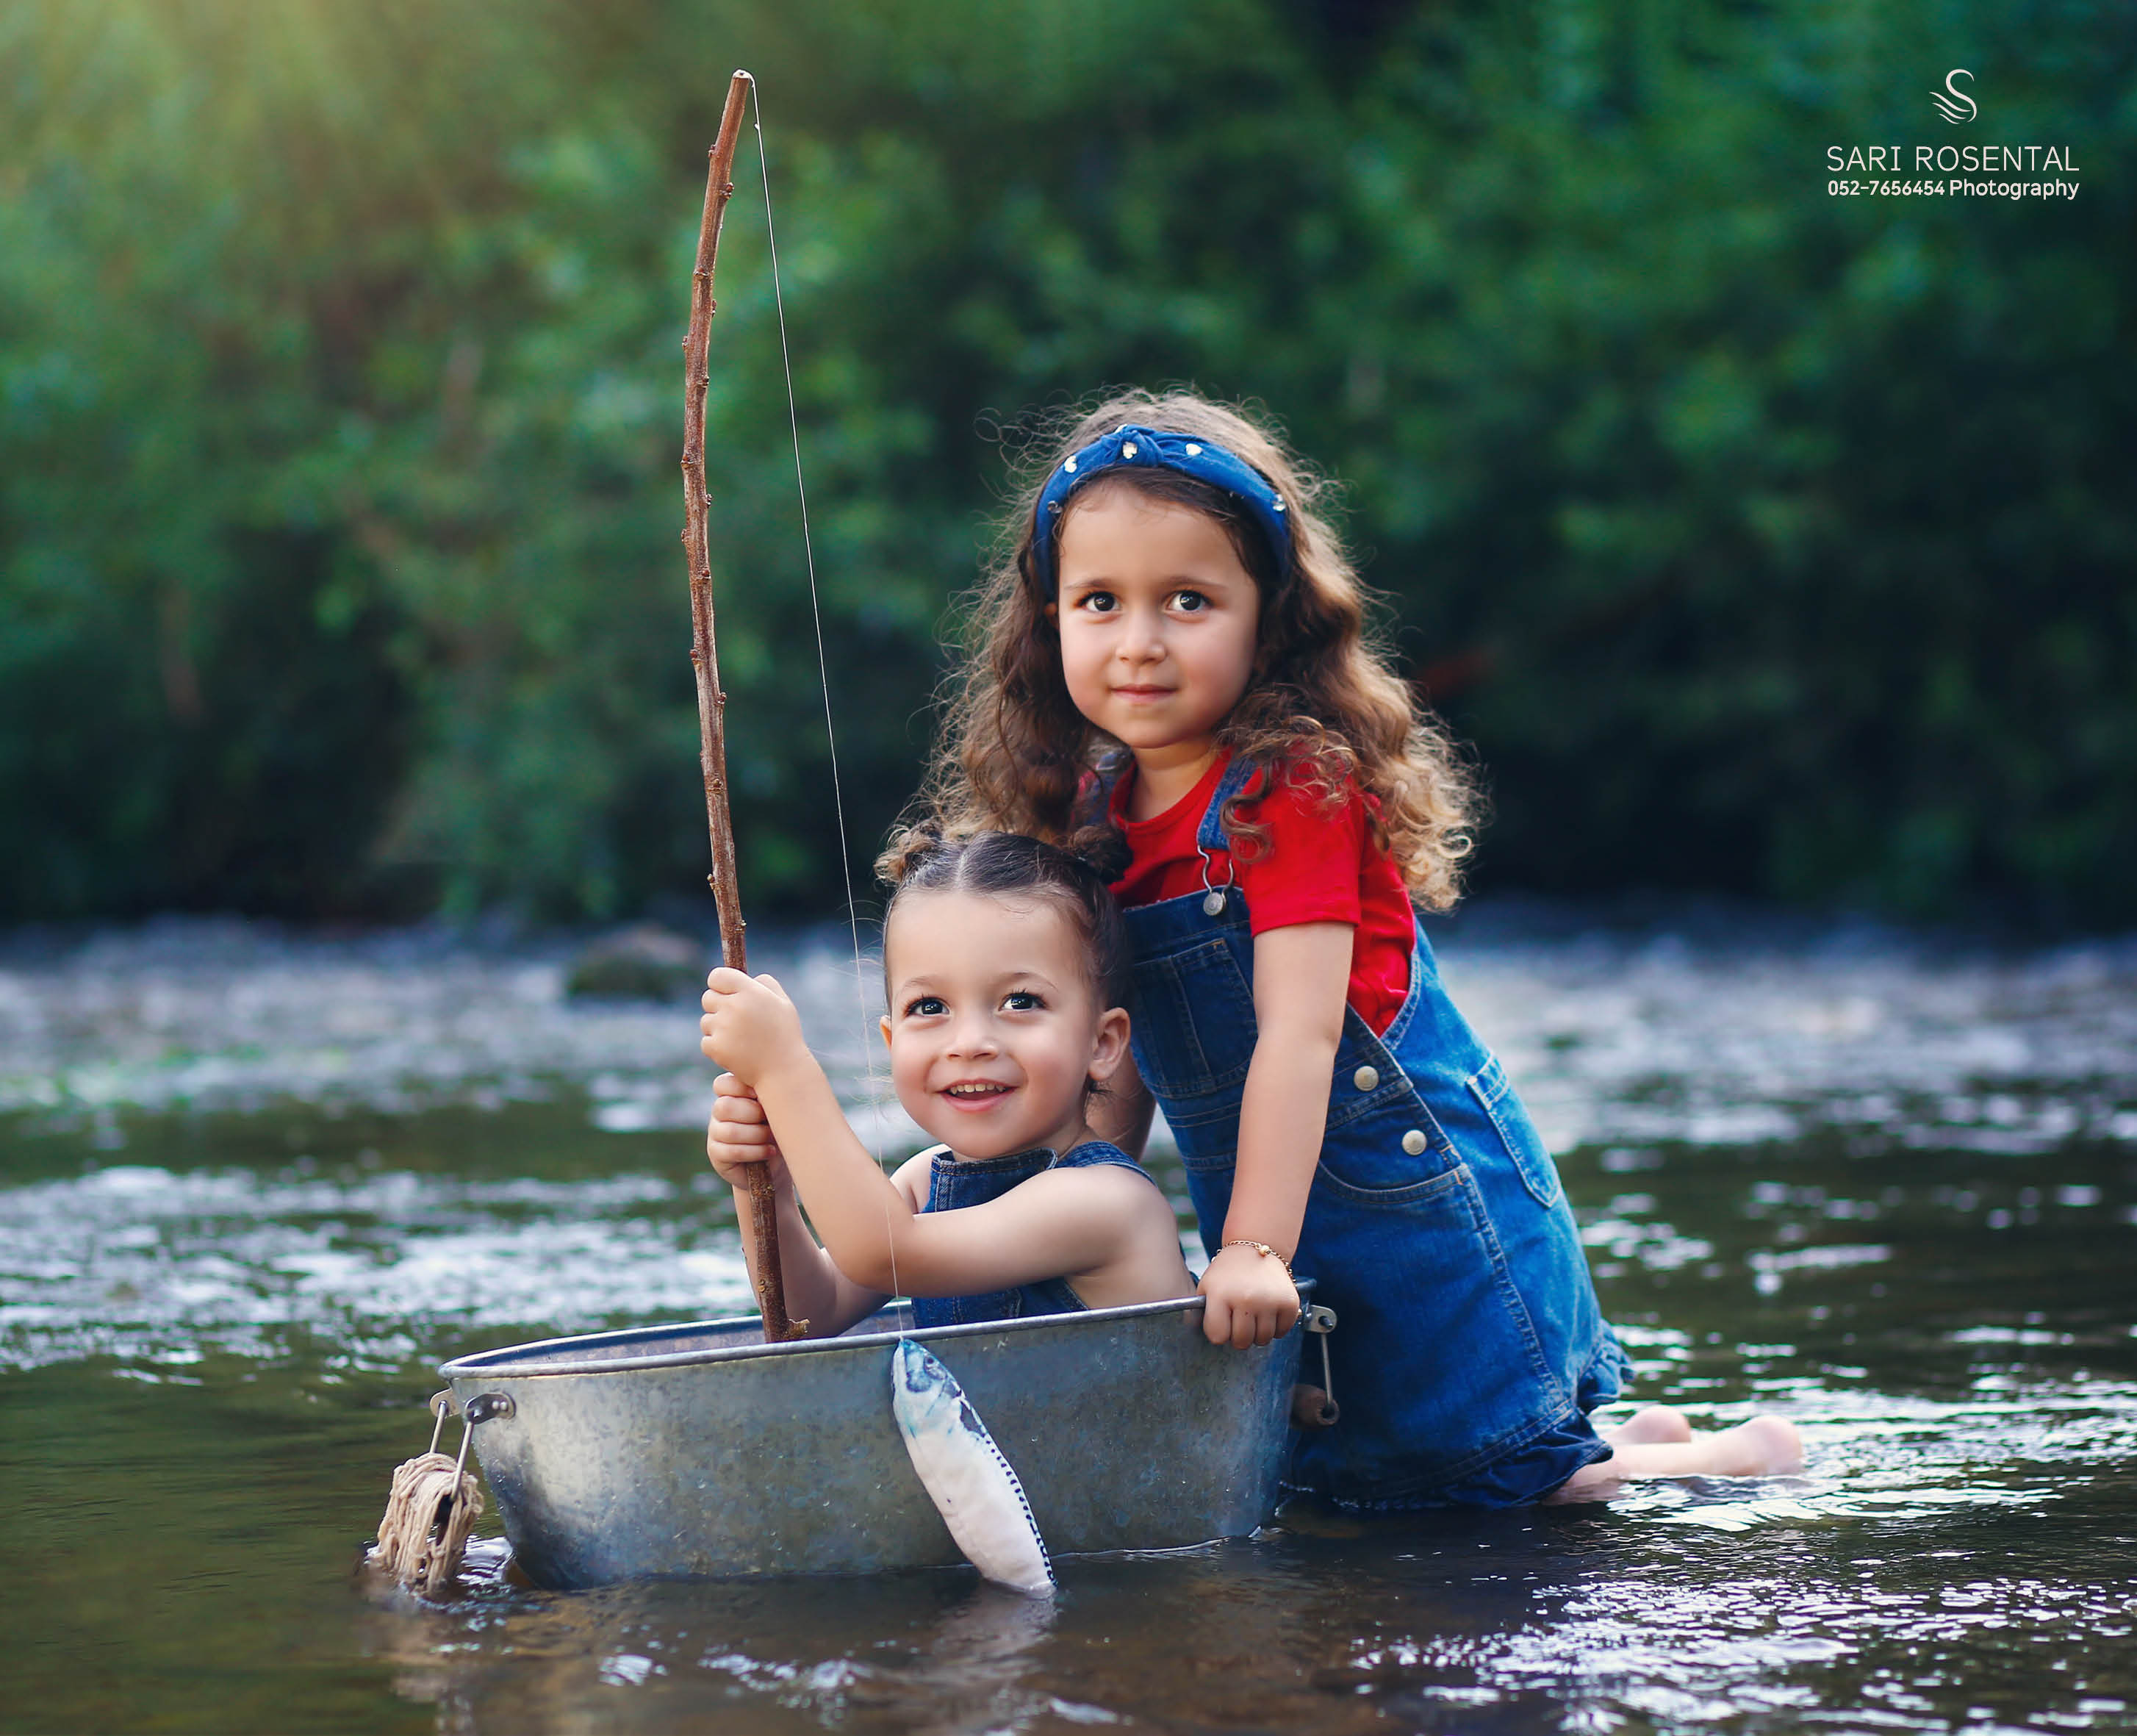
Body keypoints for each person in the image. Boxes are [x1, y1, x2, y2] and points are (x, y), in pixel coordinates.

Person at [904, 387, 1799, 1505]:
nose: (1139, 641)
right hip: (1278, 1201)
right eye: (1099, 601)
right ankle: (1637, 1440)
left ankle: (1734, 1457)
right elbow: (1109, 1057)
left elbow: (1300, 1030)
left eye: (1188, 600)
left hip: (1415, 1200)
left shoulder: (1294, 786)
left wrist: (1255, 1249)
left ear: (1267, 619)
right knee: (1351, 1484)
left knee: (1480, 1480)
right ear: (1051, 623)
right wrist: (1082, 1195)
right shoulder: (1093, 809)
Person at [697, 831, 1194, 1335]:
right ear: (892, 1043)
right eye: (930, 1007)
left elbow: (883, 1253)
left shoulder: (1107, 1203)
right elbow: (812, 1316)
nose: (971, 1042)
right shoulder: (923, 1182)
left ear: (1102, 1043)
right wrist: (770, 1189)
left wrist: (785, 1072)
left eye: (1021, 1001)